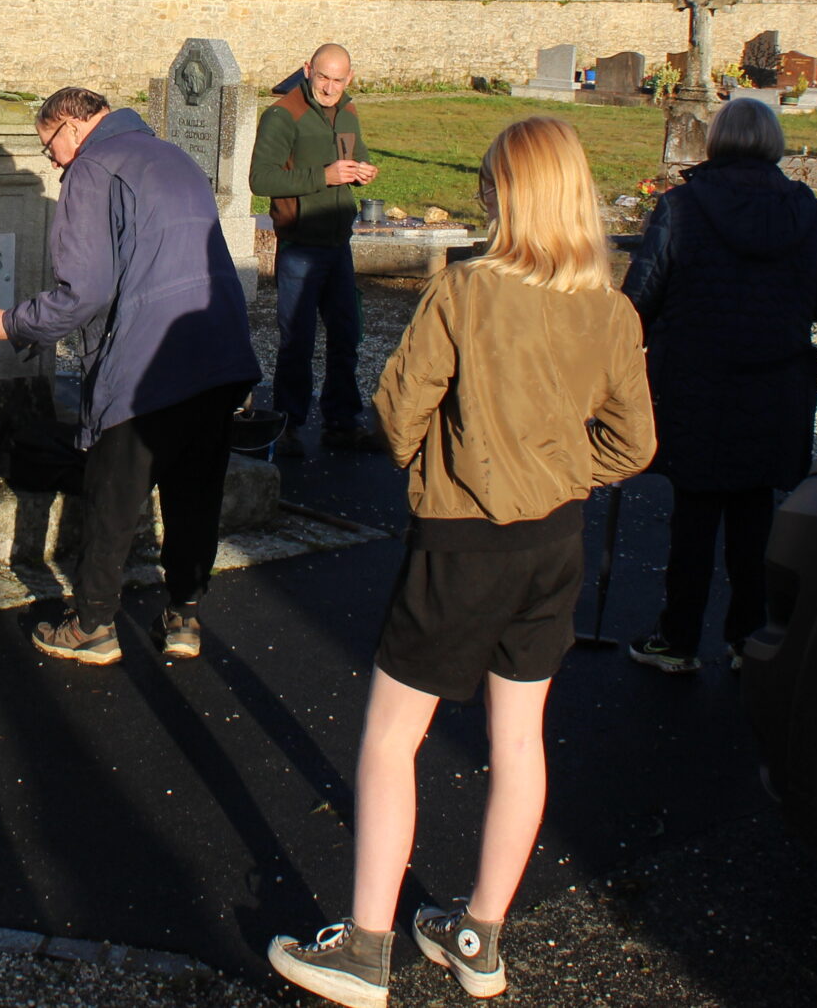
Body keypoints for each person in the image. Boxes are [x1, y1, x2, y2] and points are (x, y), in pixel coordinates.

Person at [268, 116, 653, 1005]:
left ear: (508, 195)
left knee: (391, 739)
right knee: (520, 740)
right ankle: (481, 931)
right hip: (555, 540)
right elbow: (633, 444)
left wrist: (454, 463)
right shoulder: (610, 306)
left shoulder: (468, 291)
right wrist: (562, 471)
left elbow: (398, 414)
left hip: (462, 542)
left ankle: (366, 947)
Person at [0, 89, 260, 665]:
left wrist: (12, 323)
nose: (51, 161)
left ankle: (92, 626)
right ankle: (184, 617)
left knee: (114, 492)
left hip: (151, 360)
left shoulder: (92, 169)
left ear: (73, 127)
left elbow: (84, 291)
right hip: (220, 348)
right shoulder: (173, 156)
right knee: (194, 491)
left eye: (48, 145)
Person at [619, 98, 817, 676]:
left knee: (694, 513)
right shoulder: (805, 210)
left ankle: (677, 638)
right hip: (774, 380)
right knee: (754, 511)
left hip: (698, 375)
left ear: (716, 142)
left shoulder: (682, 207)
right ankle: (749, 635)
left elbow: (640, 298)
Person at [249, 43, 379, 456]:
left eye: (338, 80)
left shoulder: (348, 110)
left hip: (339, 242)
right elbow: (261, 180)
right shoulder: (282, 116)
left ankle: (342, 423)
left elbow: (357, 155)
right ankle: (286, 426)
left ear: (350, 78)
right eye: (323, 77)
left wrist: (364, 170)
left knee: (346, 335)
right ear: (307, 70)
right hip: (301, 245)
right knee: (298, 341)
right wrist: (323, 175)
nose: (329, 87)